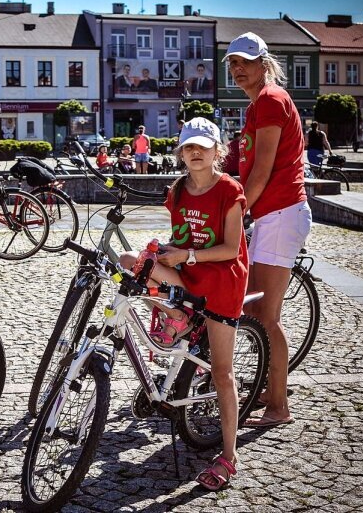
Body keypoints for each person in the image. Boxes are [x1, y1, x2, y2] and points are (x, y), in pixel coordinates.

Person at [120, 118, 248, 491]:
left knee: (222, 373)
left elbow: (228, 248)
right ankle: (180, 317)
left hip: (222, 283)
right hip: (188, 273)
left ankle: (229, 455)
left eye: (202, 146)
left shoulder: (229, 190)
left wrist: (186, 256)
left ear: (217, 151)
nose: (194, 152)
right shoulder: (177, 190)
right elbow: (179, 238)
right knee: (132, 262)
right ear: (180, 152)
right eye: (188, 146)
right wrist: (165, 251)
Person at [225, 32, 311, 428]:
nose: (238, 68)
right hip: (272, 215)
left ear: (264, 63)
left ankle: (278, 407)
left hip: (280, 214)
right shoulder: (257, 105)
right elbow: (243, 164)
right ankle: (269, 386)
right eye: (233, 63)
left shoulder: (272, 101)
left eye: (245, 61)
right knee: (256, 311)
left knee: (266, 315)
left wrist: (237, 209)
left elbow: (262, 170)